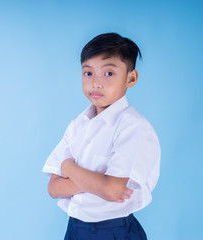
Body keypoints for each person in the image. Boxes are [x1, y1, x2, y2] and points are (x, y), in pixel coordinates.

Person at [42, 32, 160, 240]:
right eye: (88, 73)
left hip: (115, 230)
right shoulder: (77, 125)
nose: (96, 83)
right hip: (76, 228)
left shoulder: (133, 127)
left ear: (131, 78)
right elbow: (53, 188)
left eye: (108, 74)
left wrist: (68, 167)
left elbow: (113, 190)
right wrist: (98, 181)